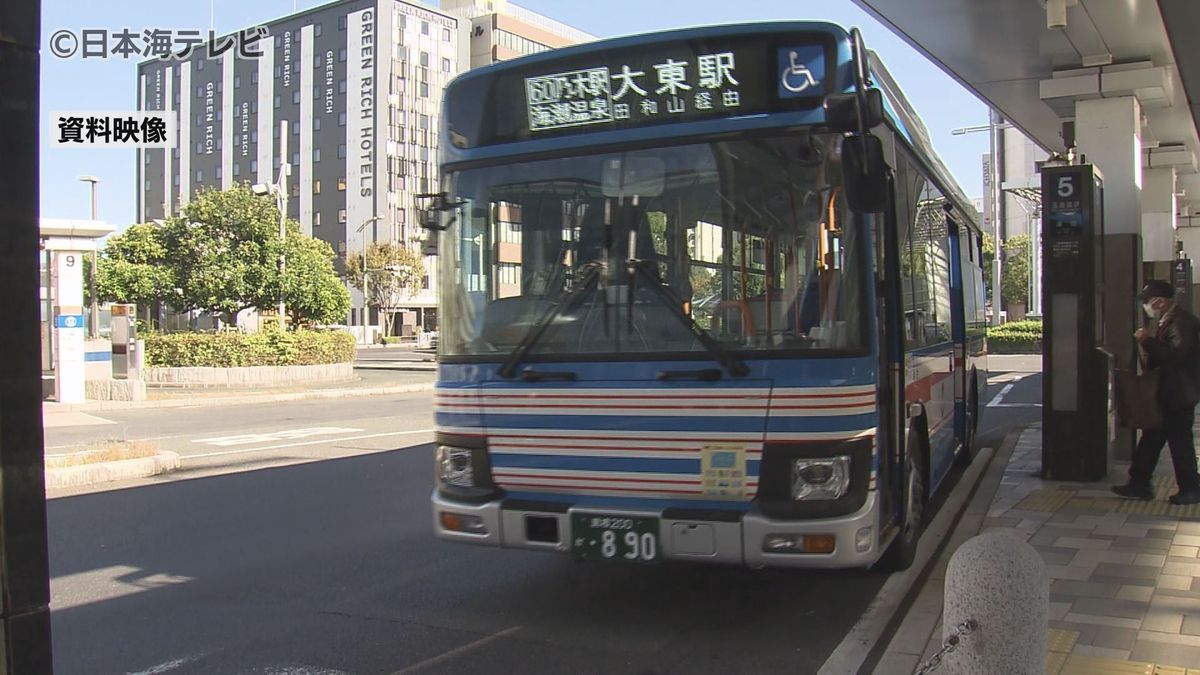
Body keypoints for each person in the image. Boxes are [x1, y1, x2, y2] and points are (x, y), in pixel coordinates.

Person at [1112, 280, 1200, 505]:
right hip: (1168, 393)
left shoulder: (1181, 322)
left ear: (1161, 302)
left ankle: (1190, 488)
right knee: (1151, 439)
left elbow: (1176, 356)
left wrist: (1147, 341)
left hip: (1178, 394)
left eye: (1149, 302)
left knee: (1180, 443)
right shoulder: (1169, 320)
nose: (1147, 307)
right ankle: (1139, 483)